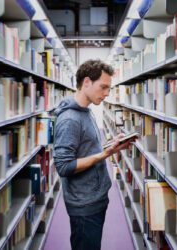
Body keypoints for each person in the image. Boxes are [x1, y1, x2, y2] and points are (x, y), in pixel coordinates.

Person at [54, 59, 136, 250]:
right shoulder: (69, 120)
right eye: (104, 87)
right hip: (84, 204)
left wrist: (112, 146)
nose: (107, 94)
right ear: (87, 82)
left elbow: (86, 148)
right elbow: (64, 167)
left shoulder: (86, 111)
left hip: (95, 196)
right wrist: (105, 154)